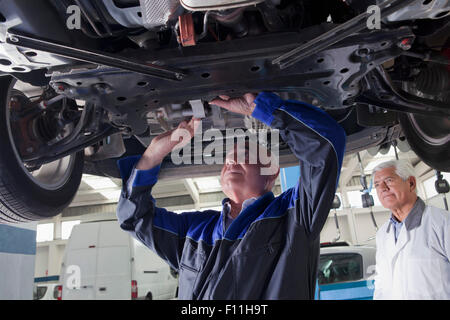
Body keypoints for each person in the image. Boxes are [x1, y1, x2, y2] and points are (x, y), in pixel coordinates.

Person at [116, 92, 346, 299]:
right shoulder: (195, 231)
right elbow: (134, 218)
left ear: (272, 171)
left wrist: (260, 109)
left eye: (243, 155)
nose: (231, 161)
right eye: (227, 161)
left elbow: (325, 143)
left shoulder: (294, 216)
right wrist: (155, 152)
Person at [372, 160, 450, 300]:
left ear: (411, 183)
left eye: (389, 180)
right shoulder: (382, 234)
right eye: (377, 184)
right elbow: (381, 285)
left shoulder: (443, 223)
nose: (382, 188)